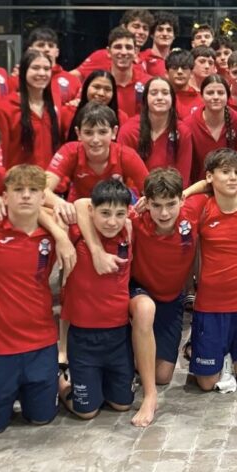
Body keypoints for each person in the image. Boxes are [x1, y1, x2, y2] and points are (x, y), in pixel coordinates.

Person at [75, 169, 199, 425]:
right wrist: (96, 251)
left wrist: (189, 190)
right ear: (146, 202)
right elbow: (82, 204)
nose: (164, 213)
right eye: (156, 205)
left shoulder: (193, 214)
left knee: (162, 375)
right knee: (145, 310)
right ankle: (150, 397)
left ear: (182, 200)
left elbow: (211, 184)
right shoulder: (134, 219)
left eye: (171, 204)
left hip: (171, 299)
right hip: (139, 291)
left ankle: (126, 359)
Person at [0, 165, 72, 434]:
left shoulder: (54, 230)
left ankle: (58, 380)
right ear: (4, 197)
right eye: (18, 190)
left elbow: (88, 209)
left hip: (41, 344)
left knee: (42, 418)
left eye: (33, 190)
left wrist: (60, 234)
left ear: (43, 197)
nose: (26, 195)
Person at [182, 149, 237, 391]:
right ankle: (206, 348)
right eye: (226, 172)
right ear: (210, 176)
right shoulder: (201, 206)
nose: (233, 178)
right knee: (206, 384)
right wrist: (187, 191)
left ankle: (228, 354)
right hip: (210, 307)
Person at [59, 180, 137, 419]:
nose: (112, 222)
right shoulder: (76, 232)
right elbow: (78, 204)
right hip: (84, 338)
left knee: (122, 405)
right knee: (87, 412)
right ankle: (61, 383)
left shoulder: (129, 230)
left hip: (118, 336)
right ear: (92, 211)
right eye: (105, 213)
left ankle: (100, 384)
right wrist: (93, 250)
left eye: (119, 214)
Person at [47, 102, 149, 203]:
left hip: (115, 210)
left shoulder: (127, 155)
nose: (95, 140)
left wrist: (144, 203)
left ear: (114, 132)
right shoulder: (68, 151)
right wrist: (61, 204)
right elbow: (43, 190)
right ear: (78, 133)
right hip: (77, 209)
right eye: (88, 133)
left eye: (102, 132)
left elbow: (151, 193)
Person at [0, 49, 62, 168]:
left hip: (50, 178)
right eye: (35, 68)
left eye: (46, 69)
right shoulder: (5, 108)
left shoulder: (55, 103)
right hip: (18, 178)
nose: (42, 73)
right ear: (23, 71)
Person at [118, 77, 194, 181]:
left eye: (165, 93)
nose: (159, 97)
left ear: (173, 99)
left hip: (172, 190)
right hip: (136, 190)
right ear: (145, 99)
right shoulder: (128, 130)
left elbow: (183, 176)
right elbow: (124, 174)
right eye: (154, 93)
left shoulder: (183, 132)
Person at [185, 74, 237, 183]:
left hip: (233, 186)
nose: (216, 97)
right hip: (198, 188)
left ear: (228, 96)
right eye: (210, 93)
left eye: (220, 93)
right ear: (201, 96)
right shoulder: (188, 125)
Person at [73, 9, 153, 78]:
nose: (141, 32)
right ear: (124, 27)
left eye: (145, 28)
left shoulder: (144, 59)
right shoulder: (103, 55)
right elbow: (73, 76)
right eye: (136, 26)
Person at [20, 27, 81, 105]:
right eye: (41, 45)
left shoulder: (73, 81)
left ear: (57, 52)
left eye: (51, 46)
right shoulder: (17, 79)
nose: (46, 49)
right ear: (30, 50)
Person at [65, 70, 119, 140]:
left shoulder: (121, 118)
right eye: (96, 87)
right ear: (86, 88)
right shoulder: (68, 112)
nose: (101, 93)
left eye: (107, 89)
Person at [164, 49, 202, 118]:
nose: (179, 72)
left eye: (184, 68)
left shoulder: (202, 100)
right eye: (175, 68)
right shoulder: (160, 98)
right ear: (166, 73)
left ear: (191, 73)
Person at [140, 11, 177, 76]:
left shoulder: (177, 59)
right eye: (160, 29)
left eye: (169, 30)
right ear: (152, 34)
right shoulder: (141, 58)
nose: (165, 34)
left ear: (174, 36)